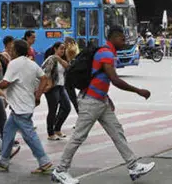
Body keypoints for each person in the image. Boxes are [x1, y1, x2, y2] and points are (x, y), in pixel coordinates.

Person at [52, 26, 155, 184]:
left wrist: (107, 98)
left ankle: (133, 165)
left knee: (117, 131)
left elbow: (101, 79)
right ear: (113, 38)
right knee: (78, 137)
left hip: (100, 101)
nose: (124, 41)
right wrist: (138, 90)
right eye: (122, 38)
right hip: (91, 102)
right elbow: (114, 79)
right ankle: (60, 170)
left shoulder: (107, 52)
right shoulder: (106, 53)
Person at [0, 39, 51, 174]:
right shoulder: (31, 64)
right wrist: (38, 95)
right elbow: (44, 78)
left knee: (29, 135)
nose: (10, 51)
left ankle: (44, 161)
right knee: (8, 130)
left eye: (12, 49)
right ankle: (3, 160)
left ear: (16, 50)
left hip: (20, 107)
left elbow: (6, 83)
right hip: (24, 104)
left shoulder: (14, 64)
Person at [42, 42, 71, 140]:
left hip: (61, 87)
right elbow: (46, 73)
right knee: (53, 110)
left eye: (64, 49)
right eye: (61, 49)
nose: (62, 51)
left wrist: (59, 58)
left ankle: (57, 128)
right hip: (52, 88)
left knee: (67, 107)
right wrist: (49, 84)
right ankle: (50, 133)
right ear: (55, 48)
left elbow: (68, 67)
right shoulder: (51, 59)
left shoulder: (61, 59)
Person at [63, 37, 80, 113]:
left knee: (73, 99)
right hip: (71, 77)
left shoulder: (70, 50)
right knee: (74, 99)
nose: (64, 44)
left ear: (68, 43)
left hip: (68, 79)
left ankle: (81, 117)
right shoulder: (75, 48)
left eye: (65, 42)